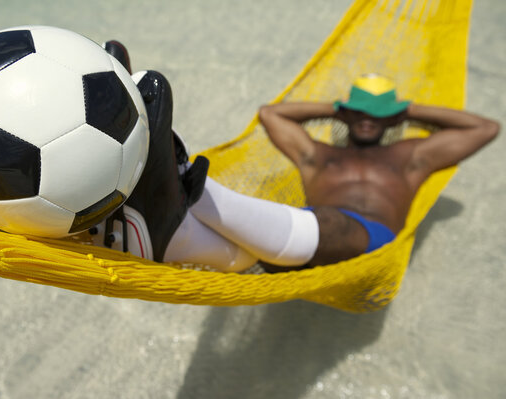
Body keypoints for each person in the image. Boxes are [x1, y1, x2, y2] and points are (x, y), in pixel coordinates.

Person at [95, 43, 499, 272]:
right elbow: (272, 114)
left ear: (391, 119)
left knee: (326, 222)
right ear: (347, 113)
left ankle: (185, 183)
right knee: (250, 255)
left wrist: (404, 110)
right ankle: (166, 226)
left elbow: (485, 129)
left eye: (376, 114)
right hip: (292, 248)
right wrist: (337, 106)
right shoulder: (318, 154)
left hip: (368, 242)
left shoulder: (410, 154)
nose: (366, 119)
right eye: (359, 110)